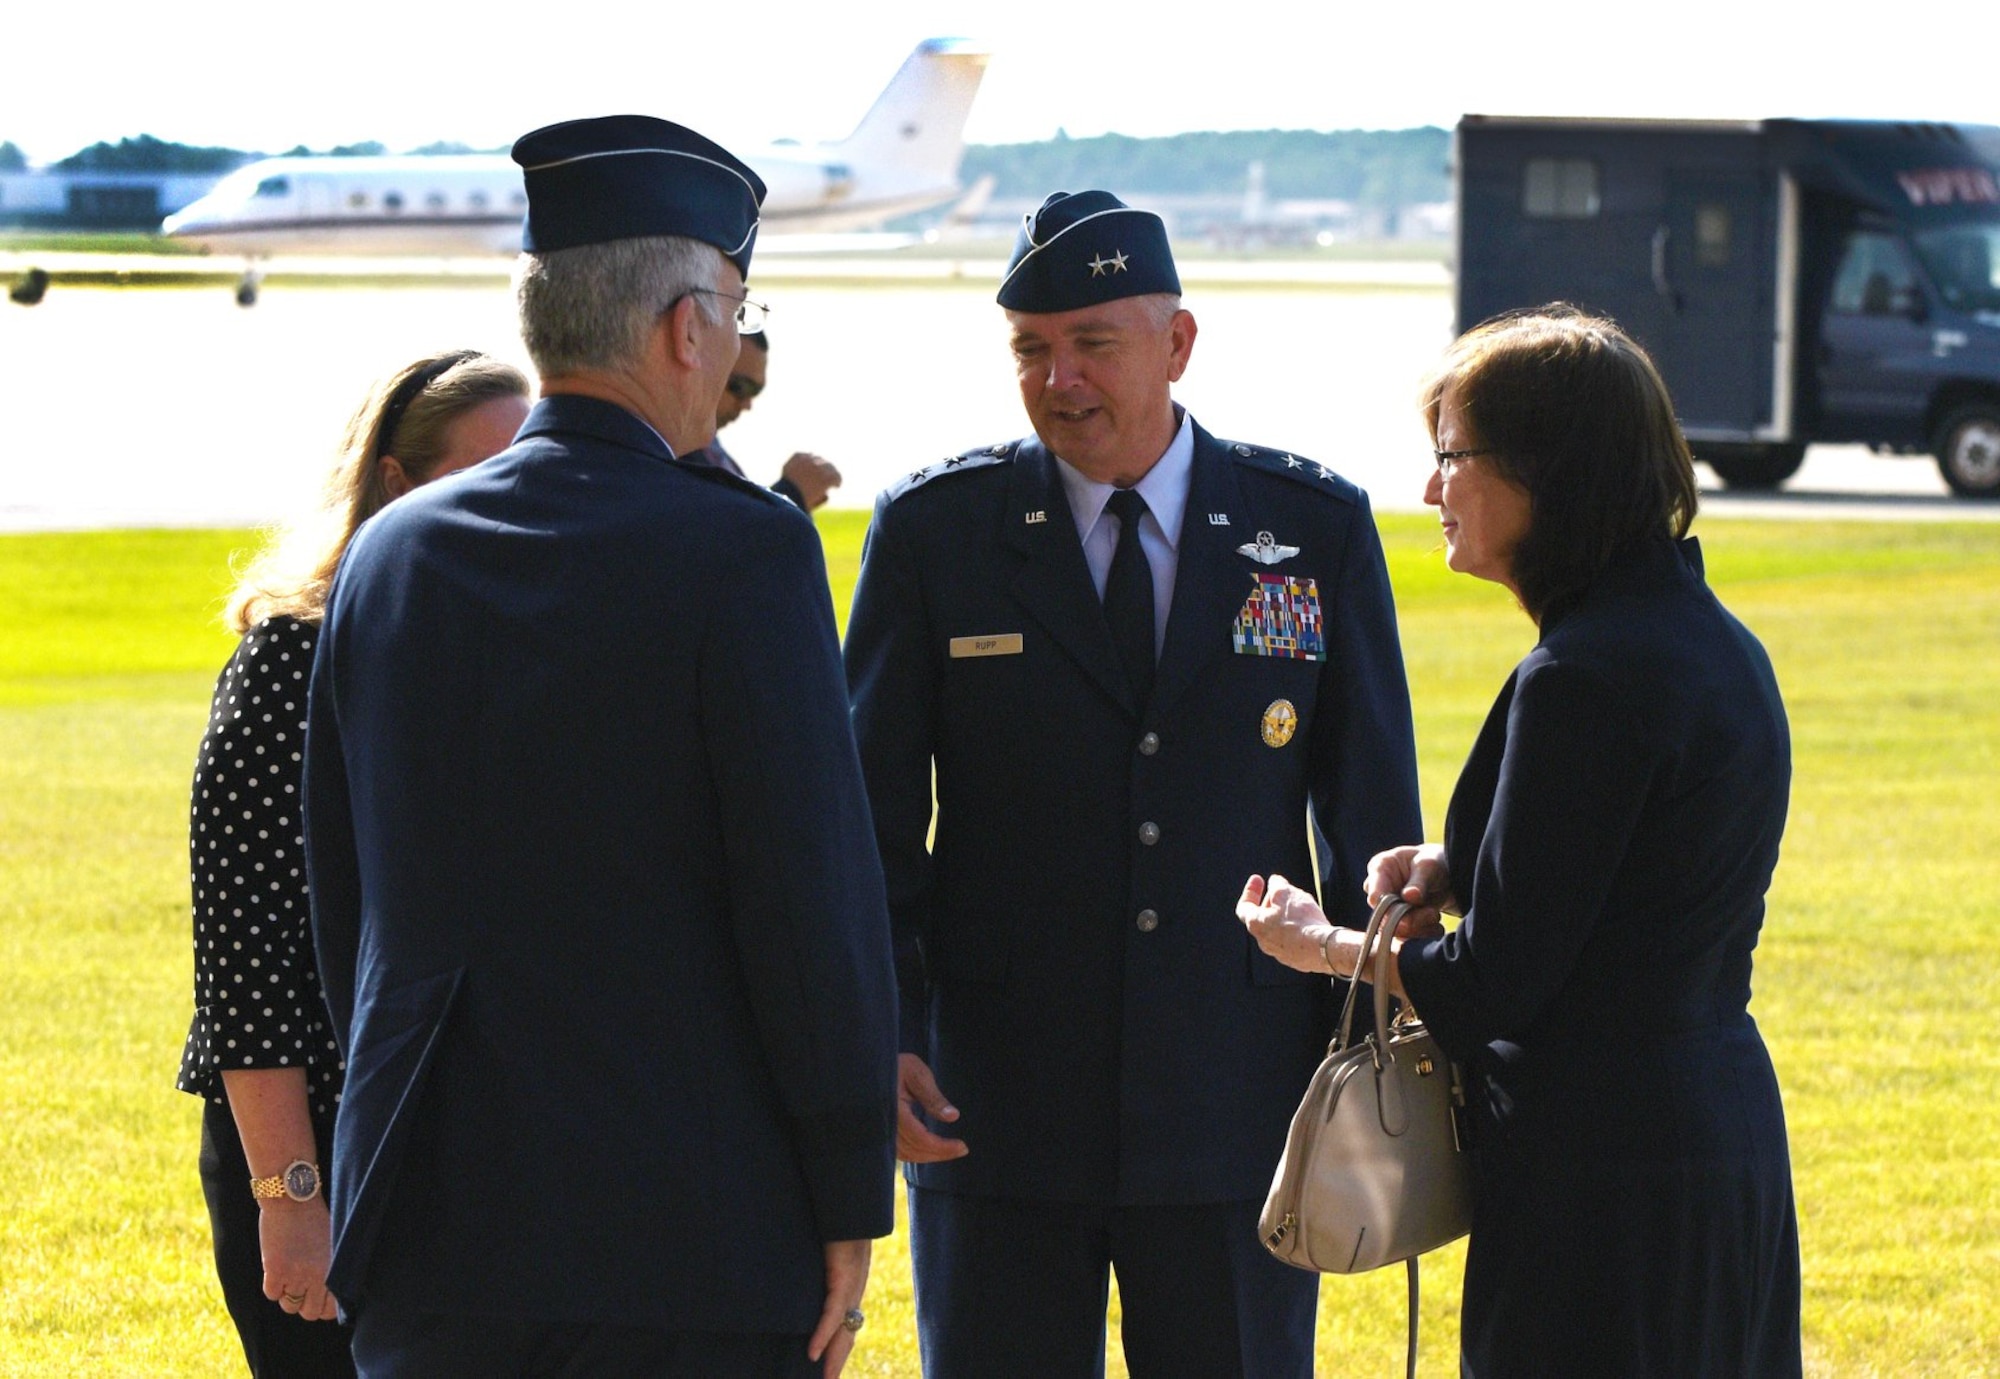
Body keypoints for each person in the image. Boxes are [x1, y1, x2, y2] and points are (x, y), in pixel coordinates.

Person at [302, 116, 898, 1379]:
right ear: (686, 327)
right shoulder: (742, 548)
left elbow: (347, 892)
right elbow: (807, 904)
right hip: (688, 1228)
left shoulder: (392, 553)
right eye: (736, 308)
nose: (736, 338)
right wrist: (848, 1187)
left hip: (430, 1216)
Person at [843, 189, 1422, 1378]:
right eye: (1030, 351)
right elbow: (871, 828)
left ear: (1177, 343)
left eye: (1091, 344)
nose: (1059, 380)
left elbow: (1371, 818)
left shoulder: (1303, 525)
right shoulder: (936, 533)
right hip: (994, 1110)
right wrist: (886, 1030)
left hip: (1237, 1103)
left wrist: (1379, 1031)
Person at [1238, 305, 1802, 1377]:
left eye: (1449, 456)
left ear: (1546, 469)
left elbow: (1491, 981)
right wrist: (1466, 865)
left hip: (1603, 1179)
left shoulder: (1580, 676)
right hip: (1709, 1134)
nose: (1428, 490)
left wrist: (1315, 941)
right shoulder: (1704, 634)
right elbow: (1638, 859)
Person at [178, 348, 531, 1377]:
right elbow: (247, 965)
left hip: (486, 1147)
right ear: (394, 482)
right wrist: (292, 1199)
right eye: (478, 476)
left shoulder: (520, 647)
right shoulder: (294, 659)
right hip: (330, 1150)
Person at [690, 329, 843, 510]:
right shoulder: (672, 449)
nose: (747, 404)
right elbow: (712, 527)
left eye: (755, 391)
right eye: (739, 386)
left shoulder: (706, 445)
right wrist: (791, 494)